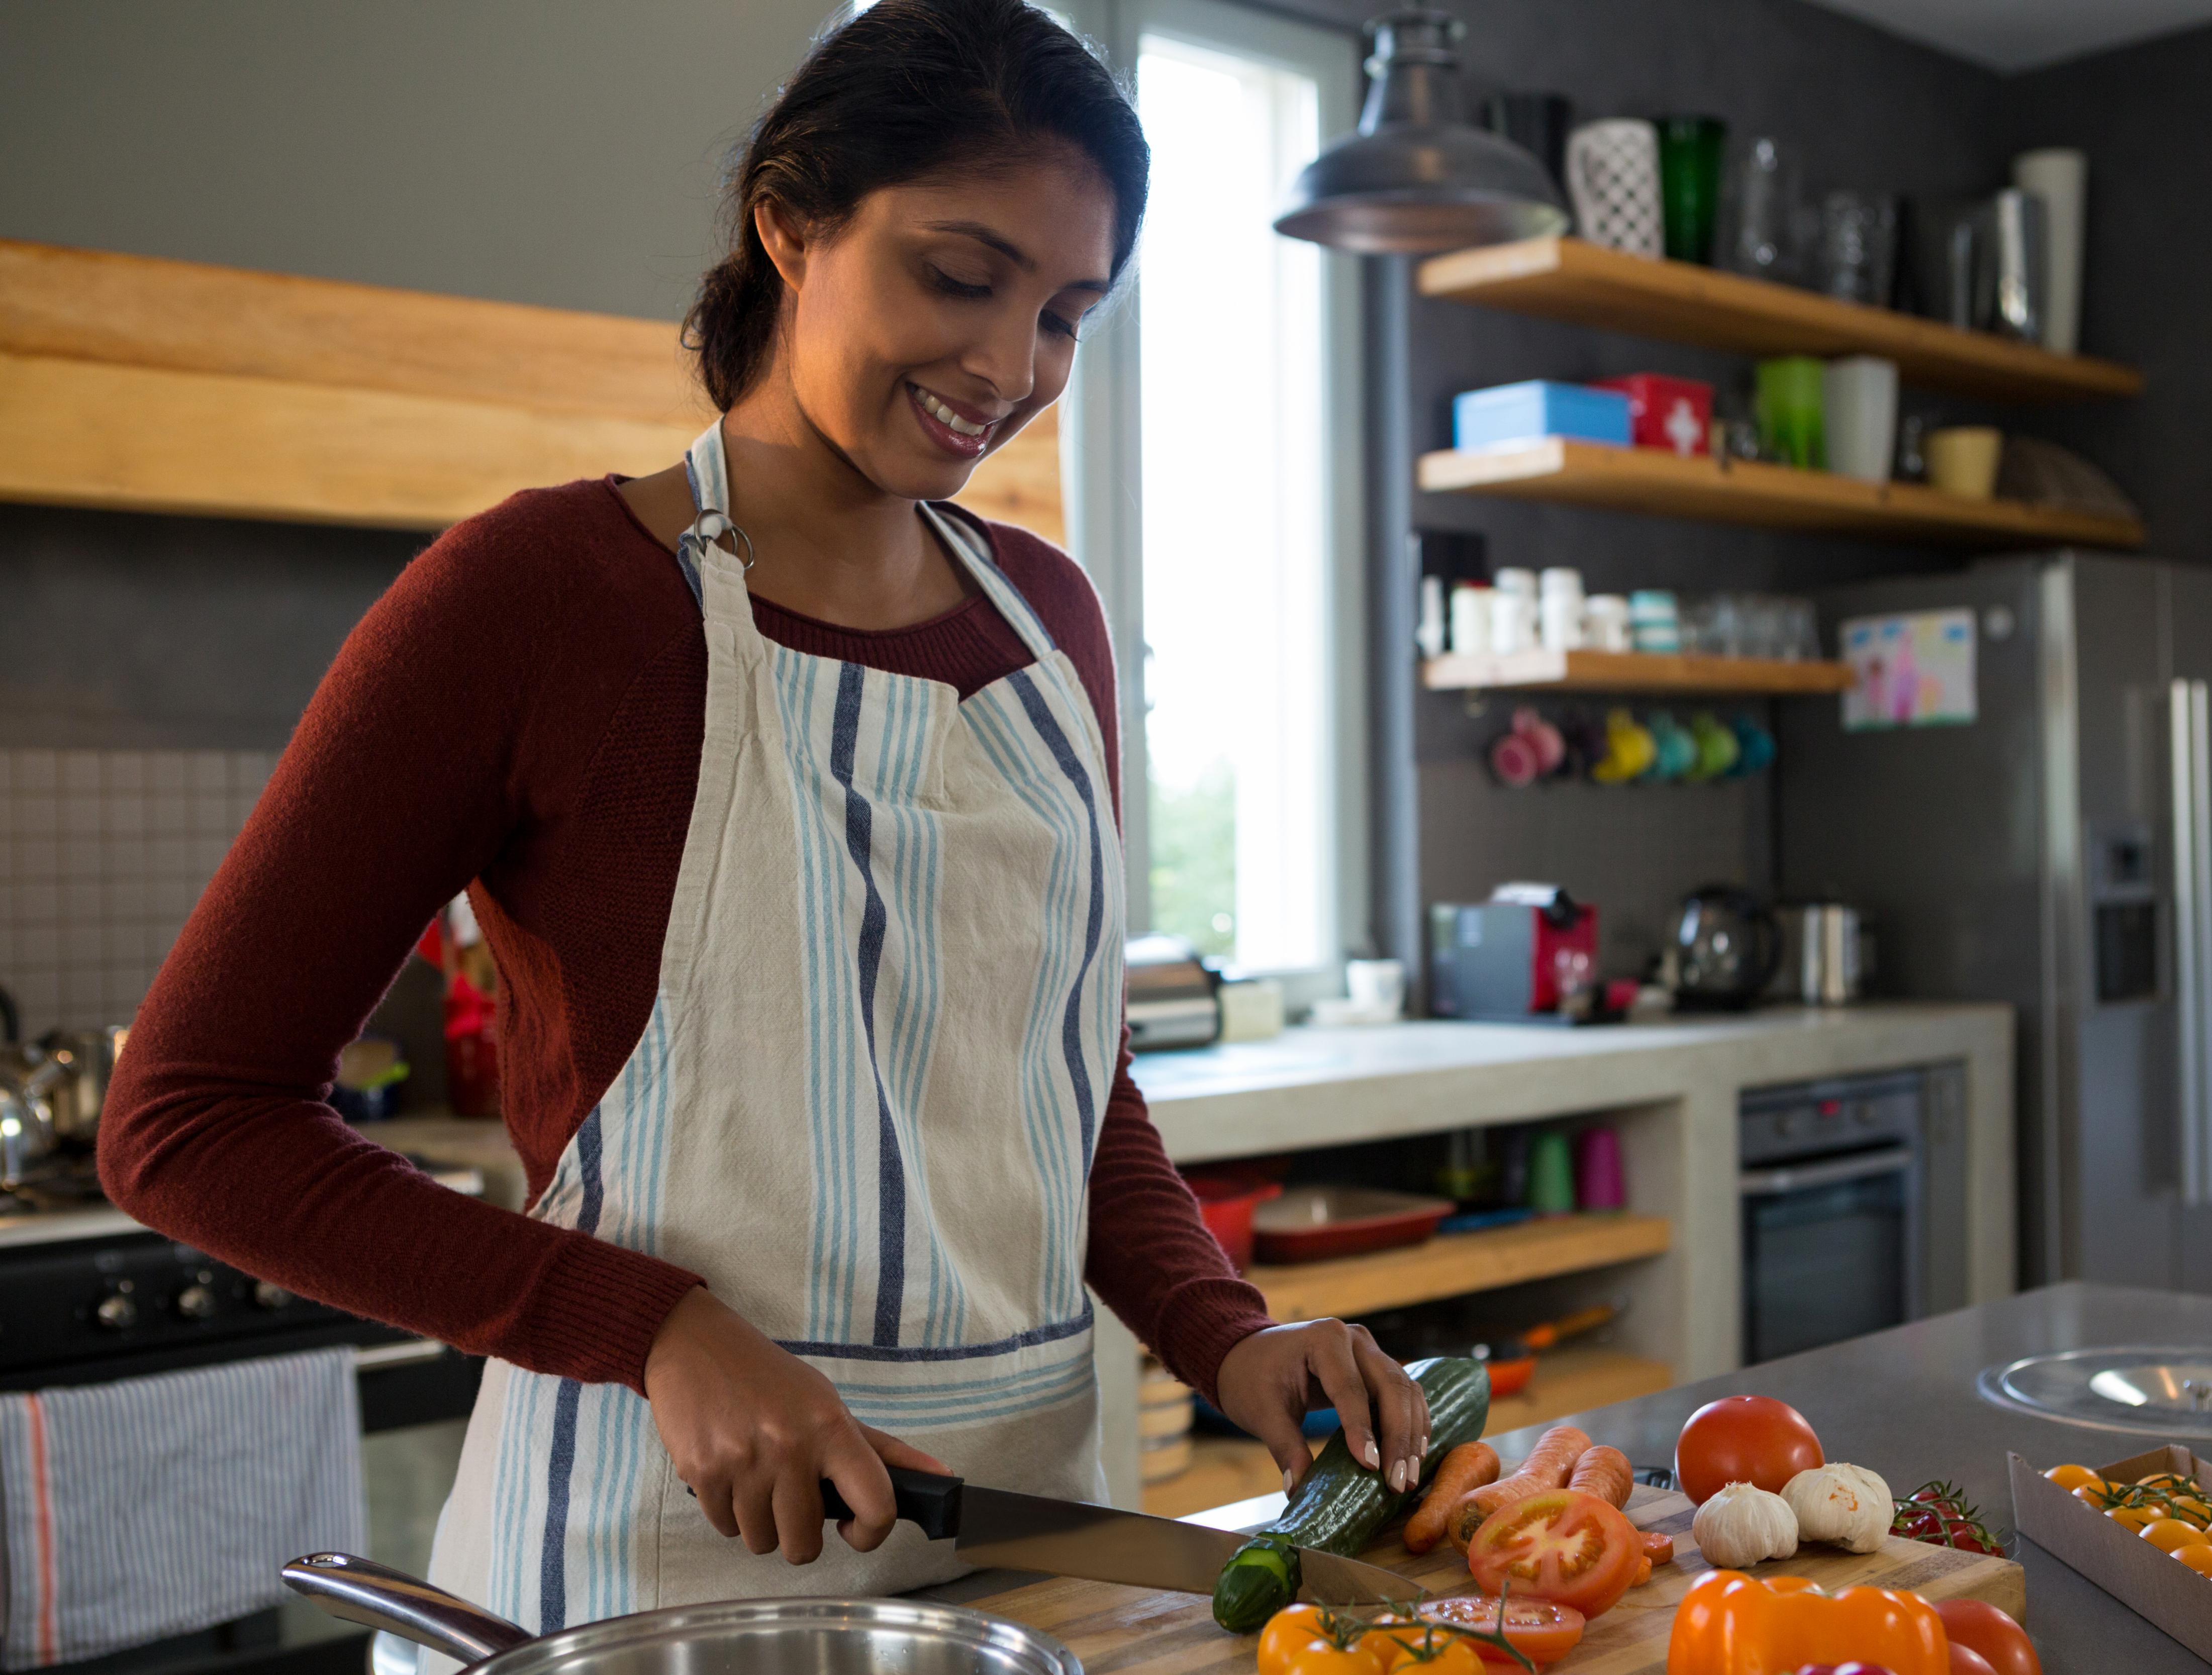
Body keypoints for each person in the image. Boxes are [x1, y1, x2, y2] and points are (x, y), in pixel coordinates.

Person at [95, 0, 1426, 1630]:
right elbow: (184, 1122)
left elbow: (1059, 1094)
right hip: (648, 1581)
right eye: (960, 276)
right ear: (790, 223)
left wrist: (1225, 1329)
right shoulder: (541, 599)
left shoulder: (1053, 621)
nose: (1011, 370)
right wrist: (657, 1327)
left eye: (1069, 314)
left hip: (1036, 1555)